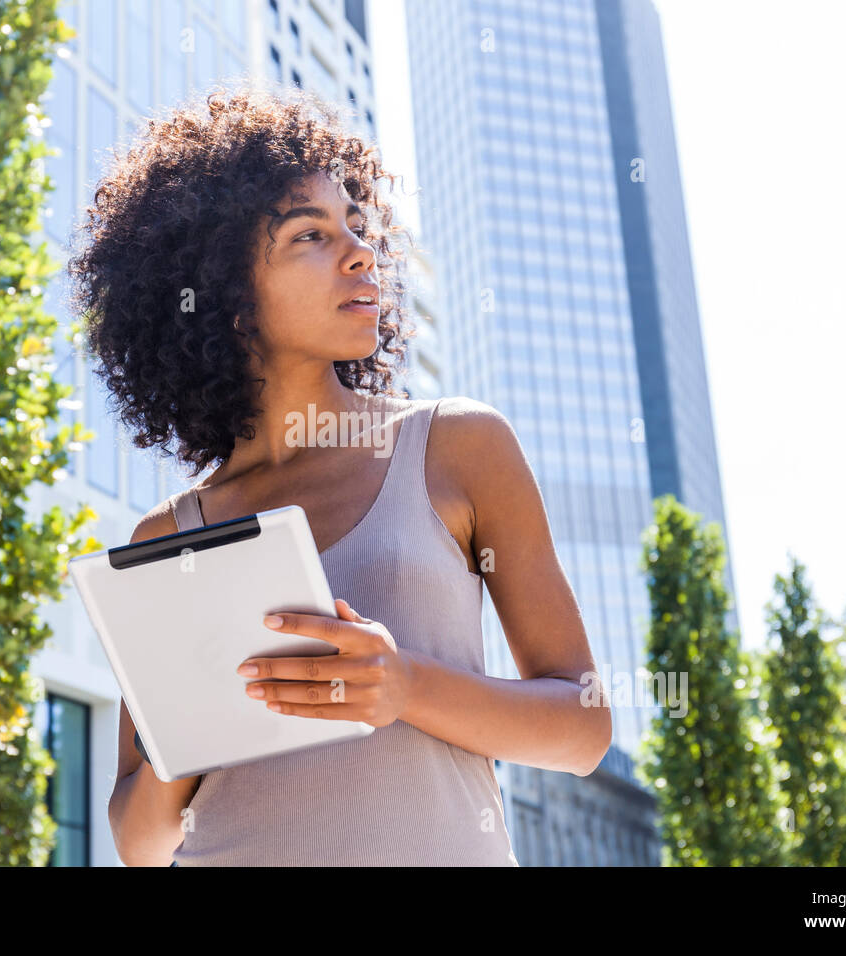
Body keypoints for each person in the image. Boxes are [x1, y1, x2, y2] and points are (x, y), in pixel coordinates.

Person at [67, 85, 610, 867]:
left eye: (358, 227)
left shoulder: (456, 446)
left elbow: (585, 730)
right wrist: (186, 729)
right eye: (310, 235)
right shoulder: (167, 536)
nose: (360, 253)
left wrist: (406, 686)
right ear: (224, 292)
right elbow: (139, 842)